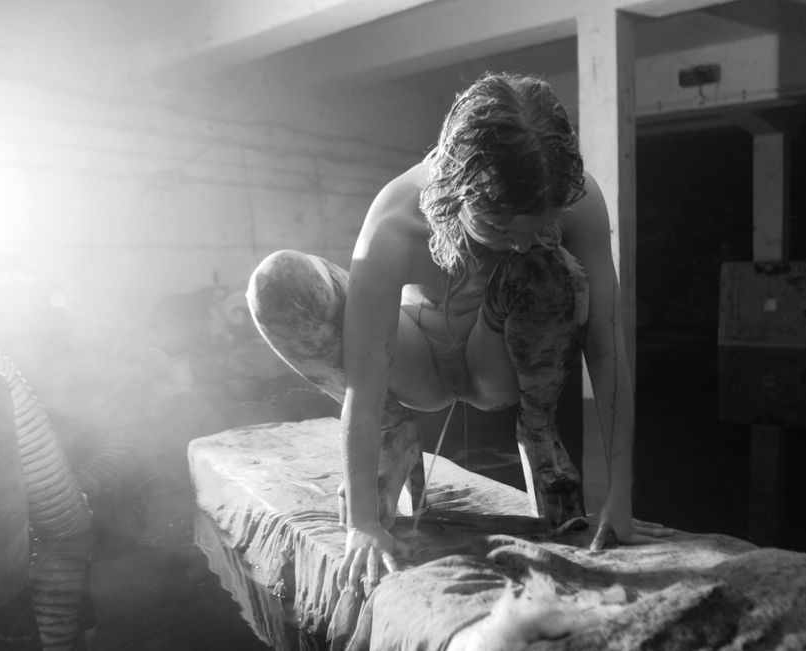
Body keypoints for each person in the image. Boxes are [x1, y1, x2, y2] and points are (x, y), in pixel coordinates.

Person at [246, 72, 671, 594]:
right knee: (279, 281)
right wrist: (362, 522)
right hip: (418, 363)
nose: (520, 243)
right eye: (500, 228)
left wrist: (620, 495)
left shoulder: (578, 203)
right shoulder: (396, 221)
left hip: (498, 365)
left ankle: (539, 433)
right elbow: (365, 376)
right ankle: (396, 433)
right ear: (455, 193)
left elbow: (606, 346)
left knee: (549, 266)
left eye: (539, 224)